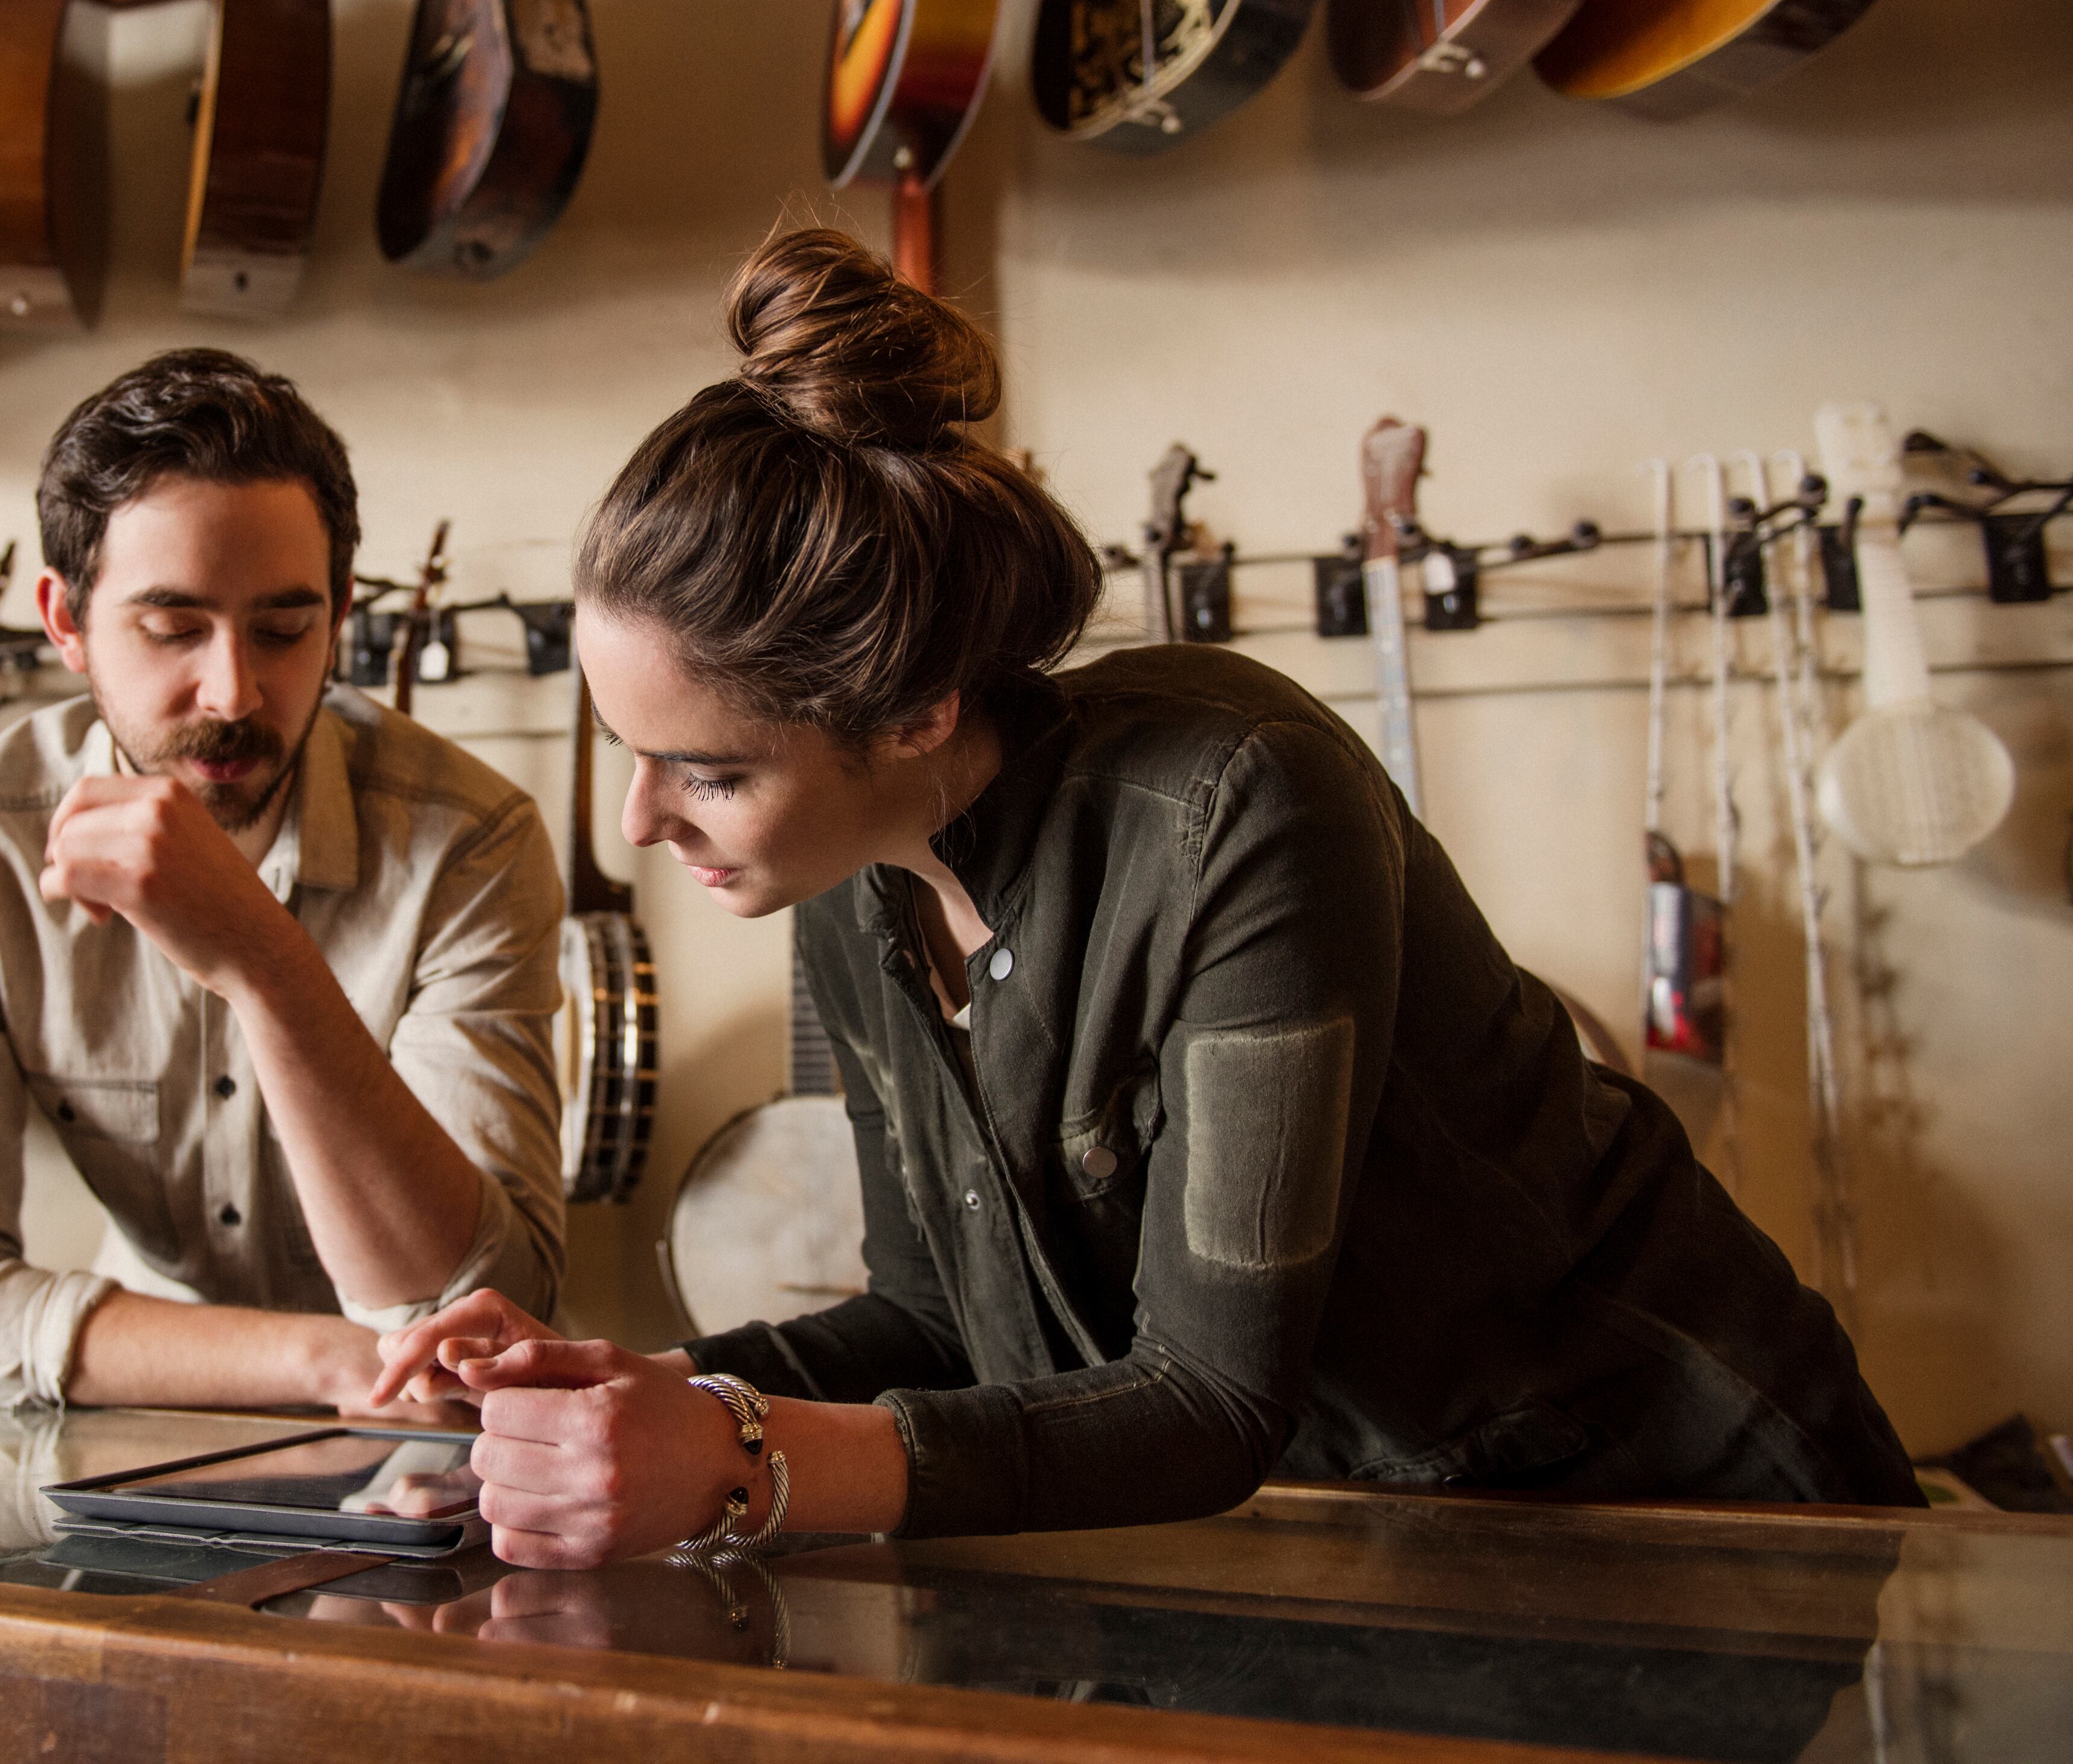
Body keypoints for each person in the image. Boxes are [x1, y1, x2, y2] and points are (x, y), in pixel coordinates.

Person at [374, 230, 1921, 1565]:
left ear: (912, 709)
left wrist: (733, 1455)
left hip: (1673, 1497)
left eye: (705, 772)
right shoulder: (856, 889)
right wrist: (621, 1390)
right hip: (1382, 1535)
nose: (643, 819)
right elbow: (934, 1324)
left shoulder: (1237, 798)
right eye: (627, 756)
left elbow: (1208, 1399)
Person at [0, 349, 567, 1413]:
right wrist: (324, 1362)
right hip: (143, 1422)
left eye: (286, 629)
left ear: (338, 613)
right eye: (172, 627)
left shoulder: (473, 841)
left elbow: (485, 1306)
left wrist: (264, 960)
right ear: (66, 624)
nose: (234, 690)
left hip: (434, 1458)